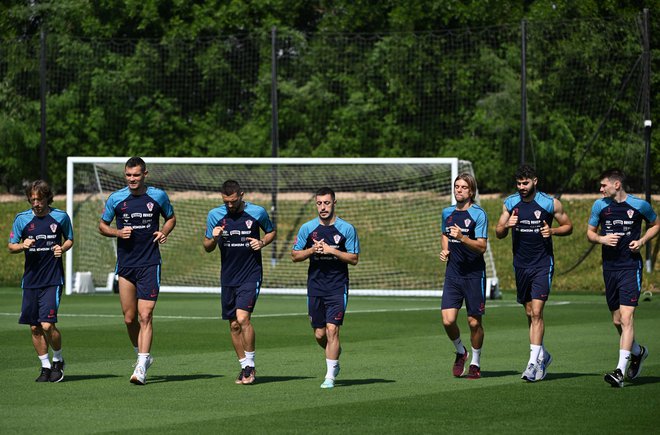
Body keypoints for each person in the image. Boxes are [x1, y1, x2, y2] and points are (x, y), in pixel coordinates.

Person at [99, 157, 176, 385]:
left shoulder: (158, 196)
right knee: (129, 318)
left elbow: (171, 218)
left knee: (146, 315)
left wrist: (164, 232)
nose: (132, 179)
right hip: (126, 265)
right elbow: (102, 225)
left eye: (136, 175)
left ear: (145, 174)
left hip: (150, 264)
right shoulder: (116, 198)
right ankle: (141, 355)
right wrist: (117, 233)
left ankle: (141, 367)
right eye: (128, 175)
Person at [495, 164, 572, 382]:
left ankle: (532, 363)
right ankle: (543, 355)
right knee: (529, 312)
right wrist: (506, 226)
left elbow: (569, 226)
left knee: (537, 312)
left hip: (542, 264)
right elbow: (498, 232)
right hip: (520, 265)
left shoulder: (550, 203)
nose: (521, 187)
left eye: (525, 183)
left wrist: (553, 230)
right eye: (519, 183)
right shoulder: (510, 203)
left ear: (535, 181)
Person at [587, 169, 659, 388]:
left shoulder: (640, 206)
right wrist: (601, 238)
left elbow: (656, 224)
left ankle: (619, 370)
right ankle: (637, 352)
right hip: (610, 268)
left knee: (627, 318)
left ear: (616, 184)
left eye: (603, 185)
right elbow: (590, 233)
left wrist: (642, 241)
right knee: (617, 320)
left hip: (630, 267)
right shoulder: (600, 206)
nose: (600, 189)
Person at [203, 180, 276, 385]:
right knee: (234, 325)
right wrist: (214, 238)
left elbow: (271, 231)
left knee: (243, 318)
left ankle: (250, 366)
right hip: (228, 276)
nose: (230, 205)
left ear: (241, 195)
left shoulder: (257, 212)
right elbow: (207, 246)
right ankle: (244, 367)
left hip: (250, 274)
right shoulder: (215, 215)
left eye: (233, 201)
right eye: (226, 201)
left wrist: (262, 242)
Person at [291, 187, 360, 389]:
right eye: (319, 203)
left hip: (337, 287)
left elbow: (354, 259)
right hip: (315, 287)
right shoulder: (308, 229)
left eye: (327, 203)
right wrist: (312, 249)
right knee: (320, 334)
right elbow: (295, 255)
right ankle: (333, 353)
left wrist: (332, 250)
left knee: (332, 330)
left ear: (334, 203)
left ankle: (330, 375)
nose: (323, 207)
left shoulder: (346, 229)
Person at [8, 180, 74, 383]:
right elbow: (11, 246)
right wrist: (22, 245)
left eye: (39, 199)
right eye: (32, 199)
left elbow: (69, 239)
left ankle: (58, 360)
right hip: (30, 281)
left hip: (52, 279)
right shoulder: (22, 219)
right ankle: (45, 366)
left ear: (47, 198)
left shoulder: (60, 217)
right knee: (34, 327)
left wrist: (61, 248)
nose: (36, 203)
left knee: (47, 324)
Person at [439, 174, 488, 380]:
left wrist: (462, 238)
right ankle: (461, 351)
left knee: (474, 323)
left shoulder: (479, 214)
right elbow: (444, 234)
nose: (459, 190)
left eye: (463, 187)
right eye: (456, 186)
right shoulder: (447, 213)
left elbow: (482, 247)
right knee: (448, 321)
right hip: (453, 274)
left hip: (474, 274)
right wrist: (445, 250)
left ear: (471, 191)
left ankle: (475, 362)